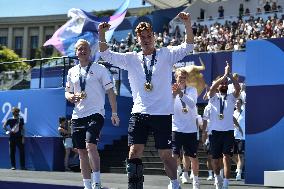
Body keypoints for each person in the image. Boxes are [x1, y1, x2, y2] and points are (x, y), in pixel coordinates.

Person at [98, 11, 194, 189]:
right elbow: (106, 55)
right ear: (137, 40)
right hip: (139, 112)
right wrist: (101, 34)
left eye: (149, 36)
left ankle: (175, 183)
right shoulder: (131, 59)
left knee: (165, 154)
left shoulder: (167, 54)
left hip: (162, 113)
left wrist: (187, 23)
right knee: (134, 152)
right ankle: (135, 187)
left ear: (154, 37)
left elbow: (188, 46)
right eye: (142, 37)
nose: (146, 39)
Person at [65, 39, 120, 189]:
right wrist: (71, 97)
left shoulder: (100, 69)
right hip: (77, 116)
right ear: (76, 53)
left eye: (85, 49)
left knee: (90, 145)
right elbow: (68, 93)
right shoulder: (72, 71)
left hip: (95, 113)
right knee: (81, 151)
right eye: (79, 49)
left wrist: (114, 113)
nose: (82, 51)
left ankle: (96, 182)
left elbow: (110, 91)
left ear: (90, 52)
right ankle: (87, 184)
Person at [207, 63, 240, 189]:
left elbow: (237, 88)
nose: (224, 84)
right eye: (222, 83)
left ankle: (226, 183)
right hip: (215, 133)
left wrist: (229, 75)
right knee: (215, 161)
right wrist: (223, 76)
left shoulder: (231, 97)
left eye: (226, 83)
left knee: (226, 157)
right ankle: (217, 178)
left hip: (228, 132)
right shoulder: (213, 98)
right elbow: (211, 88)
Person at [172, 68, 200, 189]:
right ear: (175, 78)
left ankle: (196, 182)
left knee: (193, 157)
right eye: (180, 77)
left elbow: (192, 104)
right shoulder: (169, 90)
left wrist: (180, 94)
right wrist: (173, 95)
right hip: (176, 128)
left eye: (184, 77)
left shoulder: (192, 90)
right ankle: (174, 181)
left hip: (190, 129)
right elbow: (168, 107)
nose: (182, 79)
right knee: (174, 156)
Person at [232, 99, 245, 181]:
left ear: (241, 104)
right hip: (232, 136)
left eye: (238, 103)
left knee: (240, 155)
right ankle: (239, 166)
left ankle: (239, 174)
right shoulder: (232, 112)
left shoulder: (245, 112)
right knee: (231, 155)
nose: (236, 104)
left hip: (241, 137)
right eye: (236, 103)